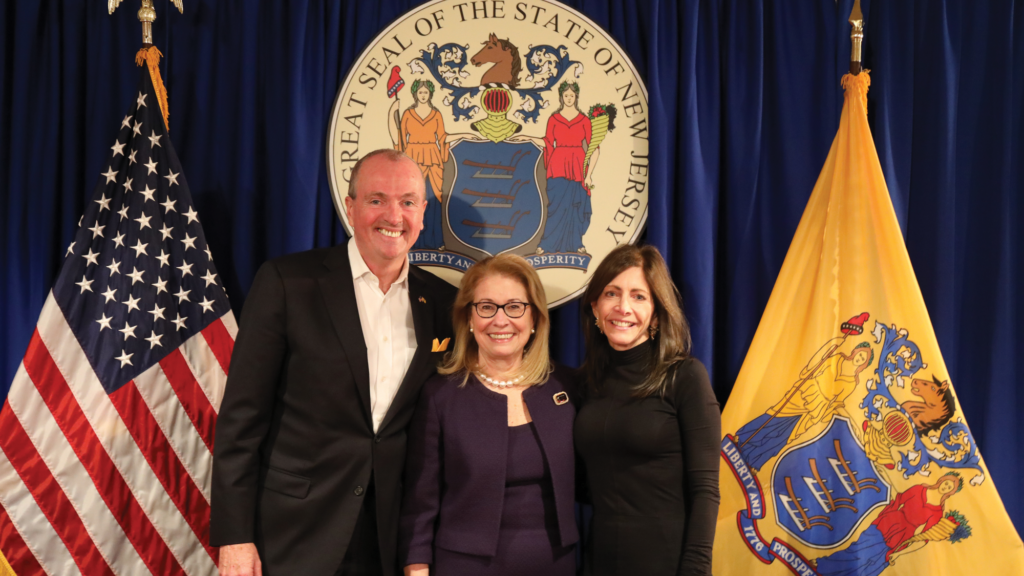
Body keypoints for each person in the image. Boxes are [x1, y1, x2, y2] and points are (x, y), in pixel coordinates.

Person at [210, 149, 458, 576]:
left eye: (408, 202)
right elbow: (242, 419)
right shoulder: (288, 283)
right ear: (350, 206)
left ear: (423, 211)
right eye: (377, 199)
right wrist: (235, 535)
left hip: (388, 539)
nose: (393, 215)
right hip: (293, 532)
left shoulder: (441, 302)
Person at [399, 254, 578, 576]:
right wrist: (417, 568)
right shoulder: (441, 396)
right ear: (468, 317)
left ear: (535, 317)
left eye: (514, 306)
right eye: (486, 306)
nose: (500, 320)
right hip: (464, 566)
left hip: (555, 564)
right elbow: (419, 503)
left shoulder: (567, 388)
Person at [574, 244, 720, 576]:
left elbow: (706, 491)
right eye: (612, 293)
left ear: (656, 313)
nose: (623, 307)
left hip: (668, 562)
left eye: (639, 296)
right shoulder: (585, 384)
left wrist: (696, 569)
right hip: (600, 560)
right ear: (595, 306)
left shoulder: (686, 377)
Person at [815, 473, 966, 575]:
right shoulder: (920, 489)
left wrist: (900, 552)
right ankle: (821, 566)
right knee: (858, 550)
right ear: (941, 481)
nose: (945, 487)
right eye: (946, 483)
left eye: (949, 488)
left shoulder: (938, 512)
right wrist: (885, 514)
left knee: (873, 565)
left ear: (949, 493)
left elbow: (923, 538)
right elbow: (899, 499)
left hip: (902, 536)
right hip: (887, 522)